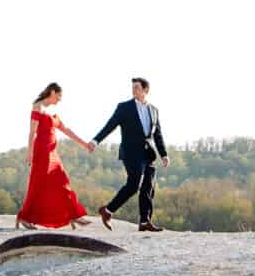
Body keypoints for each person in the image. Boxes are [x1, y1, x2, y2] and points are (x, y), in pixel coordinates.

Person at [17, 82, 98, 229]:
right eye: (59, 96)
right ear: (53, 92)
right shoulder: (38, 107)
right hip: (41, 152)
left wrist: (85, 144)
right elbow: (32, 132)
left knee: (63, 182)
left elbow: (67, 130)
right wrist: (29, 152)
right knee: (37, 184)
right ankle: (24, 217)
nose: (60, 100)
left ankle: (73, 215)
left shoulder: (54, 114)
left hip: (53, 154)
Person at [94, 76, 168, 232]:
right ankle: (108, 210)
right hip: (131, 153)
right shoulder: (124, 107)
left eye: (137, 87)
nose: (134, 90)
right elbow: (110, 125)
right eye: (133, 87)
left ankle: (144, 221)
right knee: (134, 185)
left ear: (146, 90)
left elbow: (157, 134)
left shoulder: (153, 110)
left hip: (148, 153)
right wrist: (95, 141)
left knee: (148, 187)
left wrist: (164, 154)